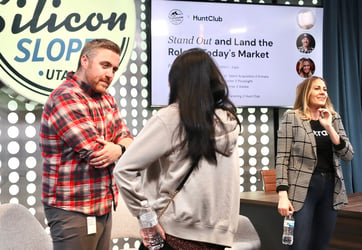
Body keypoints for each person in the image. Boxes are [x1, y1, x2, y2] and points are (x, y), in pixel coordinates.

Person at [113, 48, 241, 249]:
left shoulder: (171, 118)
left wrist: (146, 218)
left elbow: (123, 170)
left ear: (176, 82)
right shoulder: (229, 122)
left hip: (172, 234)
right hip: (217, 238)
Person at [39, 39, 133, 250]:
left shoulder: (106, 99)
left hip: (102, 203)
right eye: (105, 65)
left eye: (115, 69)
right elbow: (97, 154)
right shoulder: (66, 97)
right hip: (72, 208)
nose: (110, 74)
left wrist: (118, 148)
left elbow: (128, 138)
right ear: (84, 61)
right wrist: (118, 147)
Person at [276, 76, 354, 250]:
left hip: (330, 189)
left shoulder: (333, 118)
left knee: (321, 245)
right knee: (299, 245)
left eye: (324, 89)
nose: (322, 92)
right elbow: (282, 158)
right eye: (317, 88)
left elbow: (348, 154)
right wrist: (282, 194)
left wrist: (328, 127)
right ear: (306, 93)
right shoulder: (292, 118)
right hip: (303, 189)